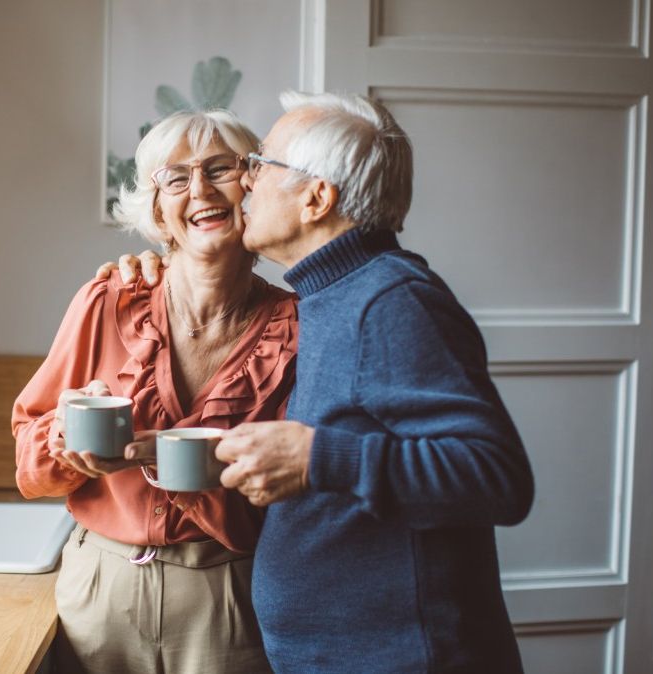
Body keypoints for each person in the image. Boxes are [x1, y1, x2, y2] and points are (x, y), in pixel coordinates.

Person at [104, 91, 535, 673]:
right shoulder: (332, 295)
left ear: (316, 198)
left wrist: (315, 460)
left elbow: (497, 477)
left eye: (261, 165)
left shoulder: (392, 301)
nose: (246, 183)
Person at [12, 109, 298, 674]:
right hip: (101, 588)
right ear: (159, 212)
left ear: (252, 187)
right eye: (175, 178)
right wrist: (63, 440)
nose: (199, 190)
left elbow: (297, 499)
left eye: (220, 168)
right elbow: (27, 458)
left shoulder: (296, 327)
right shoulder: (108, 299)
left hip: (229, 595)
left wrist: (183, 464)